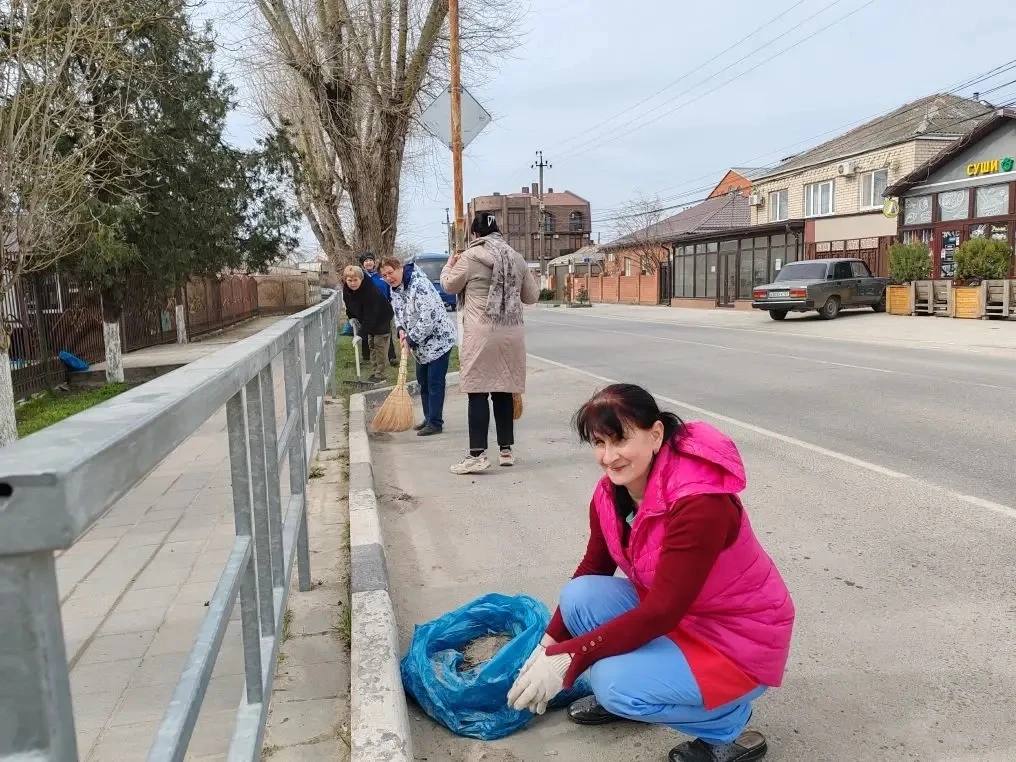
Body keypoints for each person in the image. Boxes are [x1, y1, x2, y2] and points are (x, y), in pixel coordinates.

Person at [507, 384, 795, 762]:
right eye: (598, 443)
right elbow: (593, 568)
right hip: (683, 617)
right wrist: (546, 645)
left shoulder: (699, 503)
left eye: (620, 440)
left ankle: (727, 724)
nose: (608, 457)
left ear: (655, 434)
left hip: (736, 639)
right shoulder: (612, 492)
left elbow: (662, 611)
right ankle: (650, 690)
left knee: (612, 684)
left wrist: (569, 658)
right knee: (580, 595)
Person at [440, 212, 538, 474]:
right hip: (511, 331)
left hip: (482, 331)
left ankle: (477, 455)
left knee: (478, 391)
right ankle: (506, 450)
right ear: (499, 231)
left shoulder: (471, 257)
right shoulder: (516, 258)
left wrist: (449, 265)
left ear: (474, 234)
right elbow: (532, 296)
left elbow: (449, 286)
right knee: (504, 390)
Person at [380, 255, 457, 437]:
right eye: (384, 275)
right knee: (423, 382)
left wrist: (410, 340)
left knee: (434, 382)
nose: (388, 278)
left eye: (390, 273)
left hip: (439, 340)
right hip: (421, 345)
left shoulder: (419, 285)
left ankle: (435, 422)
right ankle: (428, 417)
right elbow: (397, 311)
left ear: (399, 268)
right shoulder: (395, 289)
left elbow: (427, 319)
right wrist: (400, 329)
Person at [342, 265, 394, 384]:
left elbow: (371, 315)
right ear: (345, 280)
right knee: (371, 345)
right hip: (368, 319)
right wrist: (352, 317)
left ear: (361, 279)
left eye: (356, 280)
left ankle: (381, 376)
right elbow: (348, 305)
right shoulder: (346, 290)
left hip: (382, 317)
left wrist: (360, 334)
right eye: (349, 280)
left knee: (379, 345)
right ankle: (375, 371)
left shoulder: (370, 291)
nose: (353, 283)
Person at [360, 253, 397, 366]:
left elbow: (389, 291)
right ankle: (367, 358)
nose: (368, 262)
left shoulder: (382, 276)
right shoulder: (361, 277)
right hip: (367, 311)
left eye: (370, 260)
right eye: (365, 261)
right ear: (362, 265)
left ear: (374, 262)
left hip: (383, 310)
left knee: (386, 333)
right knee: (367, 334)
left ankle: (392, 357)